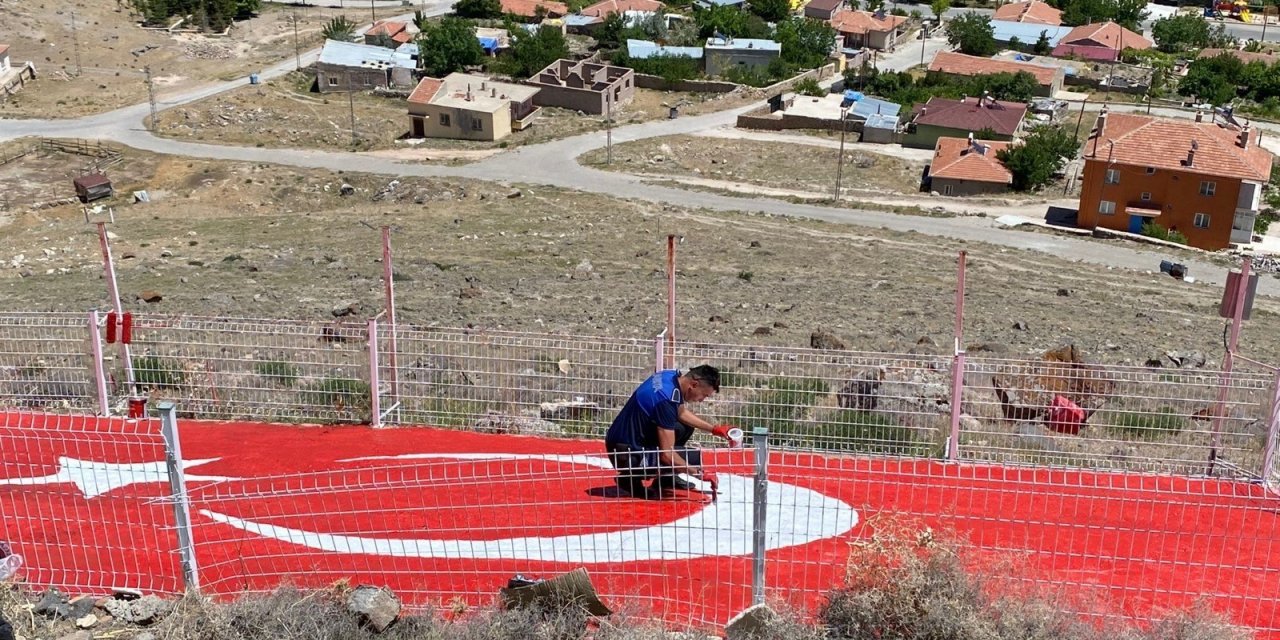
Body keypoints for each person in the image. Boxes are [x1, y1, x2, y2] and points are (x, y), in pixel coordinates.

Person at [604, 365, 737, 500]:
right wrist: (699, 473)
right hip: (624, 453)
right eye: (704, 395)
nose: (702, 400)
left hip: (621, 439)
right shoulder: (666, 401)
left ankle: (666, 478)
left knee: (684, 427)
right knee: (692, 458)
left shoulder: (670, 377)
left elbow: (681, 413)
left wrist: (714, 429)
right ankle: (630, 479)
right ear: (694, 384)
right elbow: (667, 455)